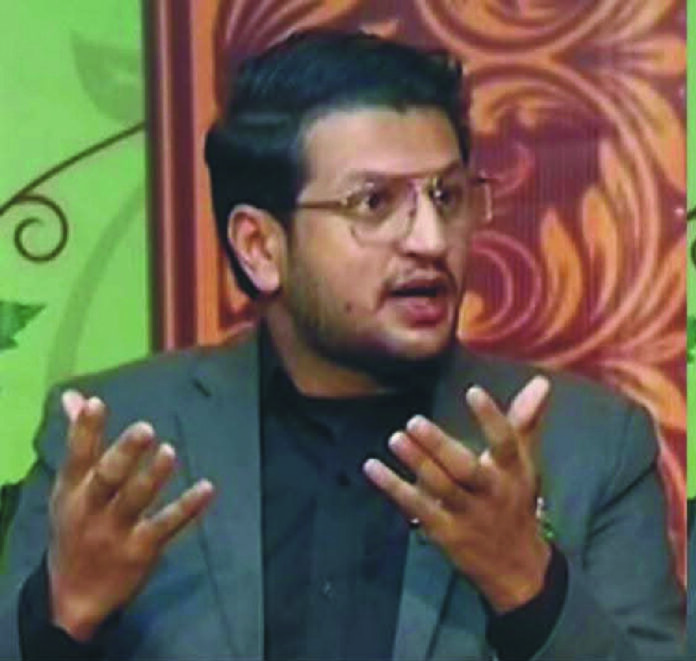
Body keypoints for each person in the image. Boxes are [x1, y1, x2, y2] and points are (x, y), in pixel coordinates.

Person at [0, 30, 684, 660]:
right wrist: (63, 613)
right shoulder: (113, 444)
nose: (430, 239)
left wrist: (528, 583)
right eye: (373, 203)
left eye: (447, 196)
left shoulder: (590, 444)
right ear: (260, 247)